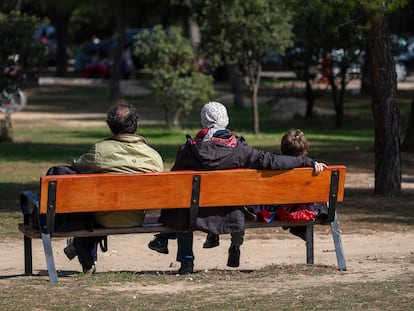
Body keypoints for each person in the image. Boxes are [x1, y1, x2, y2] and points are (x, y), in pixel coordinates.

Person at [148, 101, 326, 274]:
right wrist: (304, 161)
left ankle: (186, 260)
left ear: (204, 121)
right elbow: (271, 160)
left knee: (183, 204)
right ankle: (234, 244)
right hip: (231, 214)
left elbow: (172, 184)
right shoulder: (239, 149)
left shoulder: (187, 150)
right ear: (225, 121)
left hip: (193, 215)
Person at [63, 101, 164, 273]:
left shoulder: (99, 151)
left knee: (88, 202)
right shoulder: (153, 156)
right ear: (136, 125)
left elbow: (76, 168)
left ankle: (83, 251)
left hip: (103, 217)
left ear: (110, 126)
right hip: (136, 217)